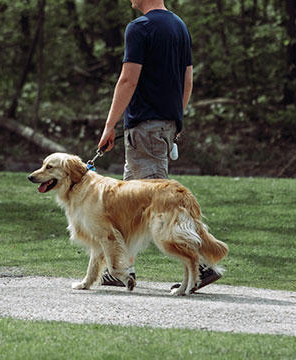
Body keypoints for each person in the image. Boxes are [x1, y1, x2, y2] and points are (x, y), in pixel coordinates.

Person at [96, 0, 222, 291]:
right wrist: (175, 119)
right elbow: (187, 80)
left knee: (160, 203)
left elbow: (128, 80)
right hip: (162, 126)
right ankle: (119, 270)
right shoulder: (179, 27)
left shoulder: (139, 28)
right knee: (130, 202)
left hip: (145, 127)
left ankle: (203, 265)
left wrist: (109, 124)